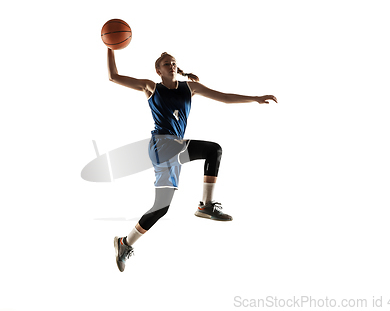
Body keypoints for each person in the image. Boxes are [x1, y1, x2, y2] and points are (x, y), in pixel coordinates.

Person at [107, 48, 277, 272]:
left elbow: (224, 97)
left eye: (174, 62)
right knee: (213, 149)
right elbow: (113, 76)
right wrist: (110, 47)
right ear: (158, 70)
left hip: (174, 146)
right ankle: (206, 205)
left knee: (161, 207)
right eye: (166, 63)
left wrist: (254, 99)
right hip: (161, 145)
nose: (171, 65)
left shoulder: (190, 88)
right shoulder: (151, 87)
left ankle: (125, 243)